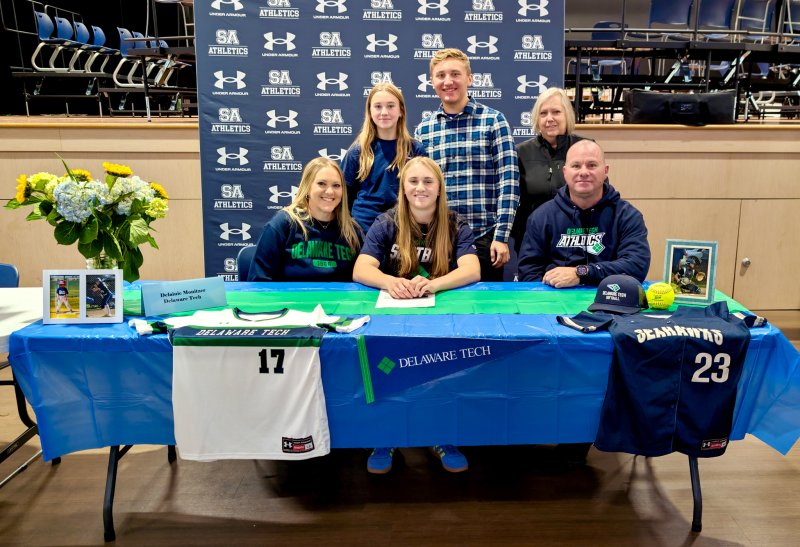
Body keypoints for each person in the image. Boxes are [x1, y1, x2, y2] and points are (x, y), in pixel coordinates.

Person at [352, 156, 480, 473]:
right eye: (413, 181)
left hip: (438, 313)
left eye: (428, 181)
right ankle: (385, 436)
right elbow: (361, 268)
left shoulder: (455, 223)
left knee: (440, 373)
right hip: (393, 313)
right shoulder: (387, 222)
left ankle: (441, 435)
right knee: (386, 369)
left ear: (439, 188)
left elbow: (472, 270)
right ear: (403, 187)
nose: (420, 188)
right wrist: (391, 282)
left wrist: (434, 285)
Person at [414, 48, 519, 281]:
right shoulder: (424, 129)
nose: (448, 81)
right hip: (438, 238)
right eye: (440, 75)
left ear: (469, 78)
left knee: (484, 310)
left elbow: (509, 182)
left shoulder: (493, 120)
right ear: (432, 81)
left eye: (455, 74)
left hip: (484, 238)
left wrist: (501, 236)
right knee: (437, 307)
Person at [518, 140, 650, 287]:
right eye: (576, 166)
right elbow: (529, 274)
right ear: (565, 172)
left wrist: (581, 273)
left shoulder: (627, 216)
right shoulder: (541, 217)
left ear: (605, 170)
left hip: (610, 298)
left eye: (592, 165)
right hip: (556, 299)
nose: (584, 172)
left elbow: (636, 265)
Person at [248, 157, 362, 281]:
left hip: (340, 300)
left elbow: (366, 279)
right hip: (292, 299)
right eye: (321, 184)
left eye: (336, 185)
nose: (330, 191)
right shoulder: (284, 224)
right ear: (307, 187)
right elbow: (259, 281)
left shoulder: (352, 230)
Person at [341, 83, 427, 233]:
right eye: (378, 106)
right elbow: (343, 196)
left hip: (403, 229)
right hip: (363, 230)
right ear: (370, 111)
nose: (384, 112)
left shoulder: (415, 150)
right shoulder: (357, 151)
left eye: (391, 106)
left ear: (401, 110)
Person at [513, 87, 589, 253]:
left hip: (577, 240)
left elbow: (600, 194)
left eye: (556, 112)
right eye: (543, 113)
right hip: (533, 242)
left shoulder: (586, 147)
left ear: (567, 115)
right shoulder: (521, 152)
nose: (549, 119)